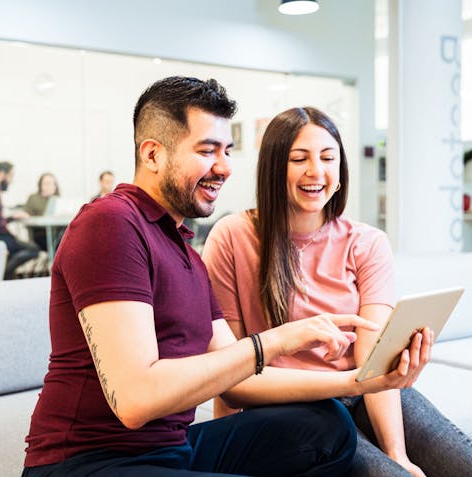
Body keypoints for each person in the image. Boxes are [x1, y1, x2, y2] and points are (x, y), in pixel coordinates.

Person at [22, 77, 432, 476]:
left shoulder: (185, 252)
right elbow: (134, 399)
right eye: (207, 150)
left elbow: (233, 372)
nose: (224, 168)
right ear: (152, 155)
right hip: (90, 461)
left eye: (227, 151)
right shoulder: (112, 221)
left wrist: (357, 382)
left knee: (326, 429)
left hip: (171, 449)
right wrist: (278, 339)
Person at [202, 107, 472, 477]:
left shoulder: (367, 242)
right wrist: (230, 448)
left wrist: (397, 451)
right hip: (288, 404)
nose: (317, 171)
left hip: (363, 388)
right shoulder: (233, 236)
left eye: (328, 158)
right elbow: (228, 367)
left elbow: (373, 361)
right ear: (272, 167)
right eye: (299, 159)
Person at [0, 161, 39, 279]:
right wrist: (13, 235)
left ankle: (6, 271)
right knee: (34, 249)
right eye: (10, 176)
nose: (11, 181)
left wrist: (12, 218)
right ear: (2, 174)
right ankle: (5, 272)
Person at [25, 172, 61, 252]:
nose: (51, 186)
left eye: (53, 184)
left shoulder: (58, 201)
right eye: (47, 183)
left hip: (57, 234)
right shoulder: (33, 198)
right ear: (40, 185)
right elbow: (26, 216)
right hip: (40, 235)